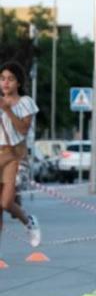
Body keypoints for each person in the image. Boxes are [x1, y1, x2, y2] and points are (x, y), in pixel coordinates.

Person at [0, 62, 42, 249]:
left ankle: (28, 220)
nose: (5, 83)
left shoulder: (26, 102)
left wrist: (7, 110)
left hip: (14, 156)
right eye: (2, 79)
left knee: (6, 202)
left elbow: (23, 129)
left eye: (10, 79)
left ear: (18, 82)